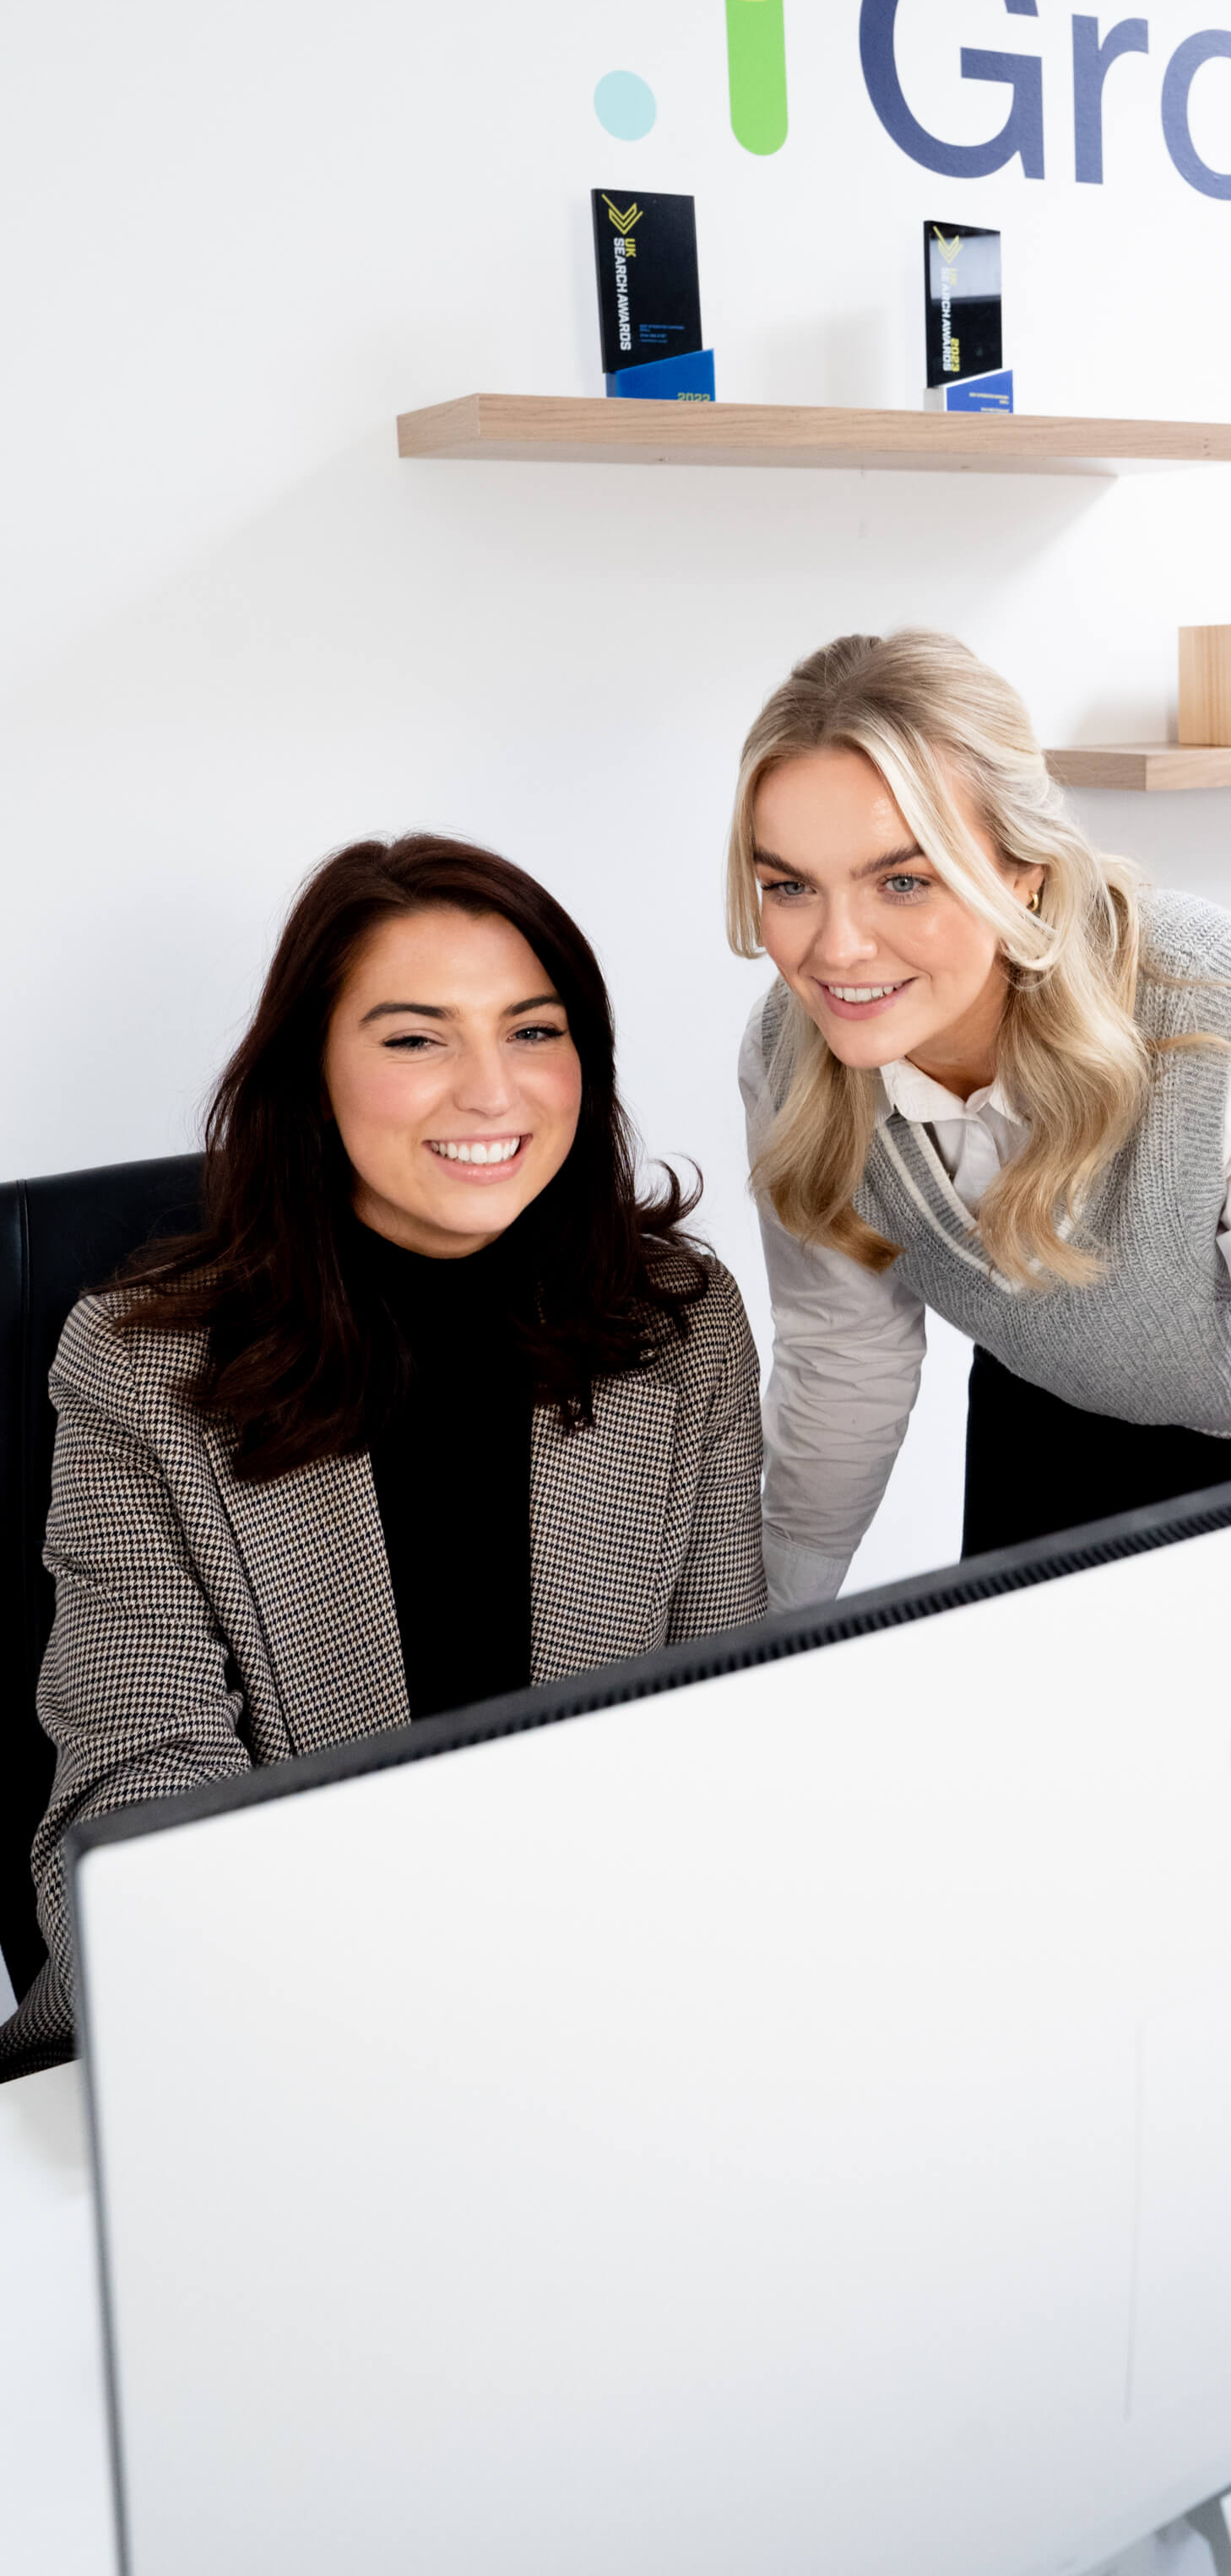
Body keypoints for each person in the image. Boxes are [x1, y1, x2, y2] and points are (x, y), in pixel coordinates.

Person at [1, 835, 762, 2077]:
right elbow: (136, 1849)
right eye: (416, 1039)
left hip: (601, 2016)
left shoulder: (675, 1326)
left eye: (533, 1030)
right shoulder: (145, 1371)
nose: (492, 1093)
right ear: (312, 1073)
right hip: (257, 2046)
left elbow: (716, 1745)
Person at [729, 630, 1231, 1609]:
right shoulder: (790, 1057)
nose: (837, 949)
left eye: (904, 880)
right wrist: (758, 1645)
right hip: (1036, 1421)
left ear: (1025, 867)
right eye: (789, 886)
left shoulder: (1222, 1007)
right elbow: (844, 1363)